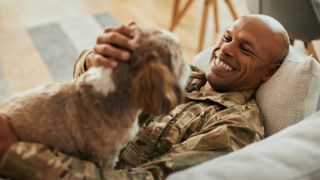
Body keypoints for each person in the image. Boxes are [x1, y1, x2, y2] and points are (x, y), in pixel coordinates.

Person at [0, 14, 289, 179]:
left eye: (245, 49)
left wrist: (18, 154)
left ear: (268, 72)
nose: (225, 50)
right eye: (227, 38)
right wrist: (96, 63)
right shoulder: (184, 74)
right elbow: (89, 98)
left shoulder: (234, 129)